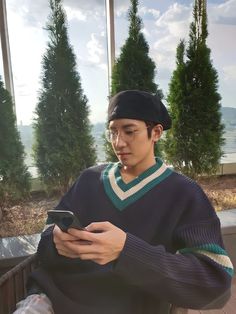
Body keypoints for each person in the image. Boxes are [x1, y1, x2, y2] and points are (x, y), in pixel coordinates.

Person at [14, 90, 233, 314]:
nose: (118, 143)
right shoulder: (89, 178)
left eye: (129, 131)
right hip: (50, 297)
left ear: (156, 133)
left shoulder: (184, 193)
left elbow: (215, 281)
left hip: (127, 305)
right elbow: (47, 240)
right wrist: (55, 240)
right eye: (113, 132)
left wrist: (126, 252)